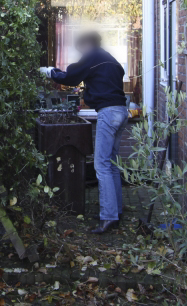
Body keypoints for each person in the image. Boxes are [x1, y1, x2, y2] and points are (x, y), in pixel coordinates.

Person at [40, 31, 128, 234]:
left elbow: (71, 77)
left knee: (101, 165)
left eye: (81, 48)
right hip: (121, 111)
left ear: (88, 43)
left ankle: (108, 217)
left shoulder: (93, 55)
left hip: (108, 112)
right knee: (112, 164)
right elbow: (101, 83)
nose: (80, 53)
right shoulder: (110, 60)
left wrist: (50, 72)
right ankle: (117, 211)